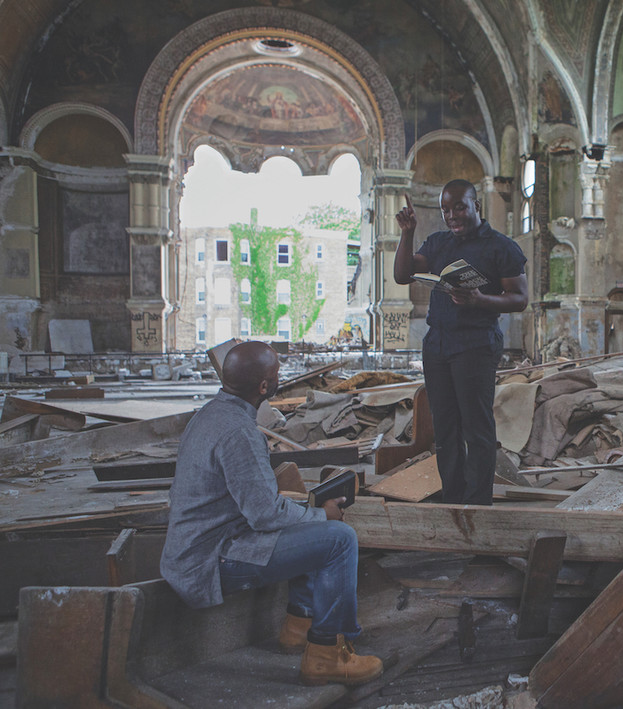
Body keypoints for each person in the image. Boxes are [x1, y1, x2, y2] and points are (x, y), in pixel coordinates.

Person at [160, 341, 382, 686]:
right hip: (210, 559)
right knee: (339, 540)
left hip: (197, 547)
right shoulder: (239, 432)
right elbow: (264, 515)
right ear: (264, 387)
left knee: (308, 527)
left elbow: (260, 507)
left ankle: (299, 627)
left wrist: (309, 513)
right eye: (276, 373)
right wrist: (322, 516)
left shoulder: (210, 414)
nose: (279, 378)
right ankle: (326, 654)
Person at [394, 180, 528, 505]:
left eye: (458, 207)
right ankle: (453, 500)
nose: (451, 216)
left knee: (476, 427)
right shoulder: (438, 243)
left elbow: (520, 298)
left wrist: (480, 299)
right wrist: (407, 232)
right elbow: (402, 275)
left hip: (476, 344)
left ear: (476, 206)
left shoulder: (501, 247)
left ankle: (478, 505)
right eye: (445, 210)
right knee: (445, 429)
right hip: (438, 343)